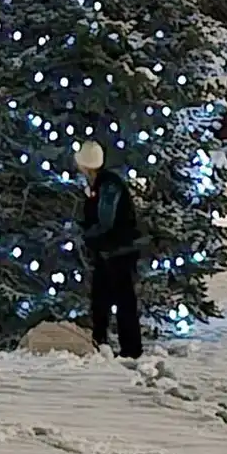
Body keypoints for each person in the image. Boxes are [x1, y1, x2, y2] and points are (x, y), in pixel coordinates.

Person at [75, 139, 142, 359]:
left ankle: (131, 350)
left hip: (118, 253)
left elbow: (106, 221)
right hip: (108, 253)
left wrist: (85, 233)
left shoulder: (108, 185)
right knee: (101, 300)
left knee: (123, 302)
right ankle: (100, 341)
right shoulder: (98, 185)